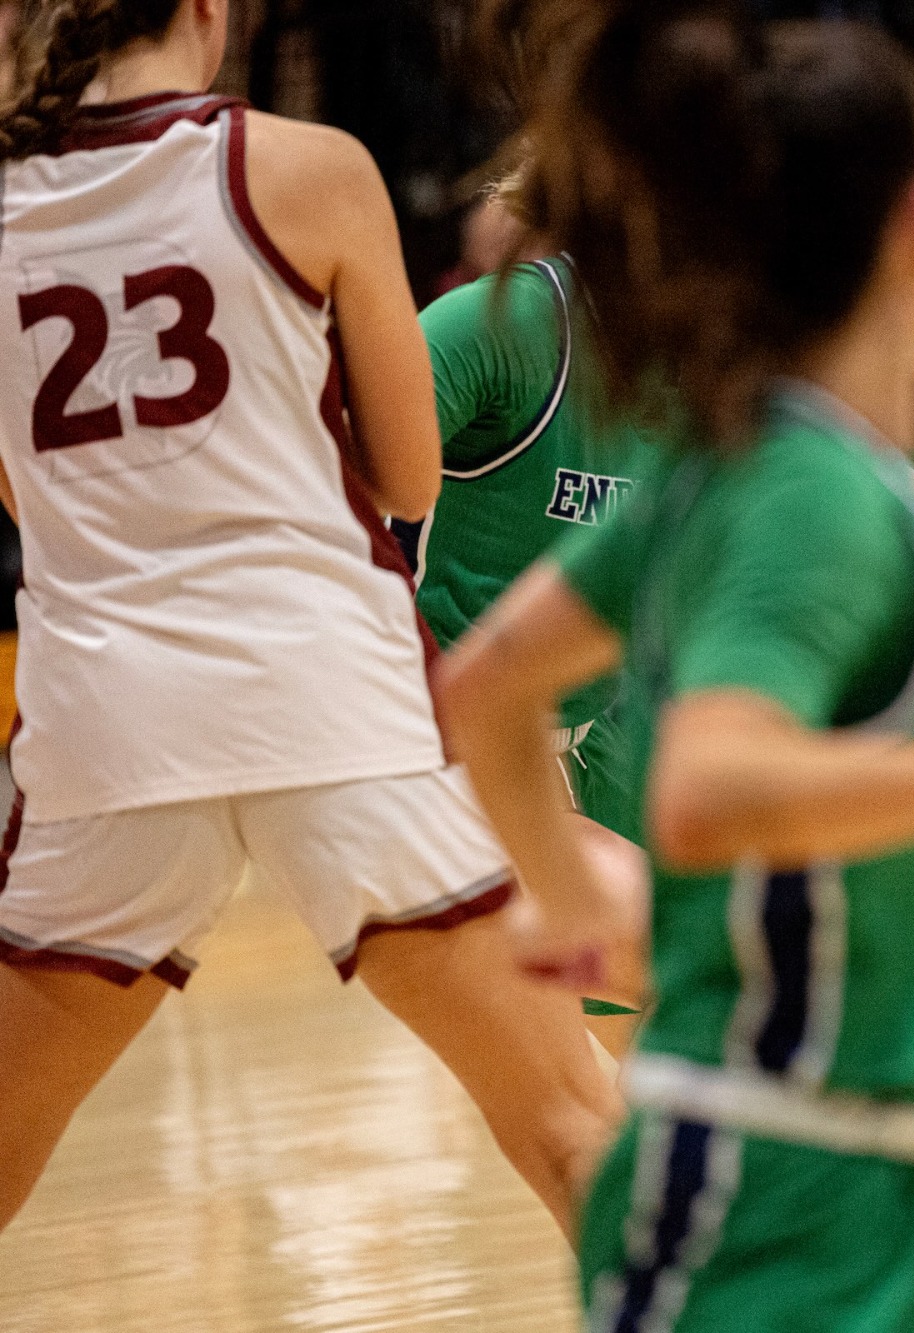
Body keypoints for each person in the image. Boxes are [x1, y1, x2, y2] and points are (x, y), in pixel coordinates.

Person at [437, 10, 914, 1330]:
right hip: (765, 1202)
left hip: (888, 1182)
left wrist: (561, 892)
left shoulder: (744, 461)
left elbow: (486, 684)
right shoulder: (802, 495)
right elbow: (710, 788)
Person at [0, 0, 620, 1237]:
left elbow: (21, 487)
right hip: (329, 706)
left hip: (110, 726)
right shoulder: (308, 171)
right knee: (571, 1127)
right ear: (208, 14)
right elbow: (406, 477)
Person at [416, 175, 914, 1052]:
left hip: (608, 718)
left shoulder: (720, 365)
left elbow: (864, 501)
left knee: (665, 1085)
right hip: (457, 729)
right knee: (709, 983)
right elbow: (332, 490)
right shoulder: (499, 327)